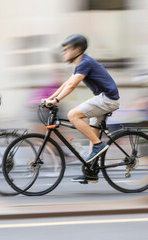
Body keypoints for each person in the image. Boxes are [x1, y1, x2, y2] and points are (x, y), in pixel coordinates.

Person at [43, 34, 120, 183]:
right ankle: (91, 172)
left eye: (66, 49)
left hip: (107, 99)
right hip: (104, 98)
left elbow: (72, 85)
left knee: (73, 115)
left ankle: (99, 145)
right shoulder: (81, 63)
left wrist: (56, 100)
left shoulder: (85, 62)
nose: (64, 52)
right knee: (93, 133)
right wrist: (51, 98)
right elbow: (67, 83)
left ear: (77, 49)